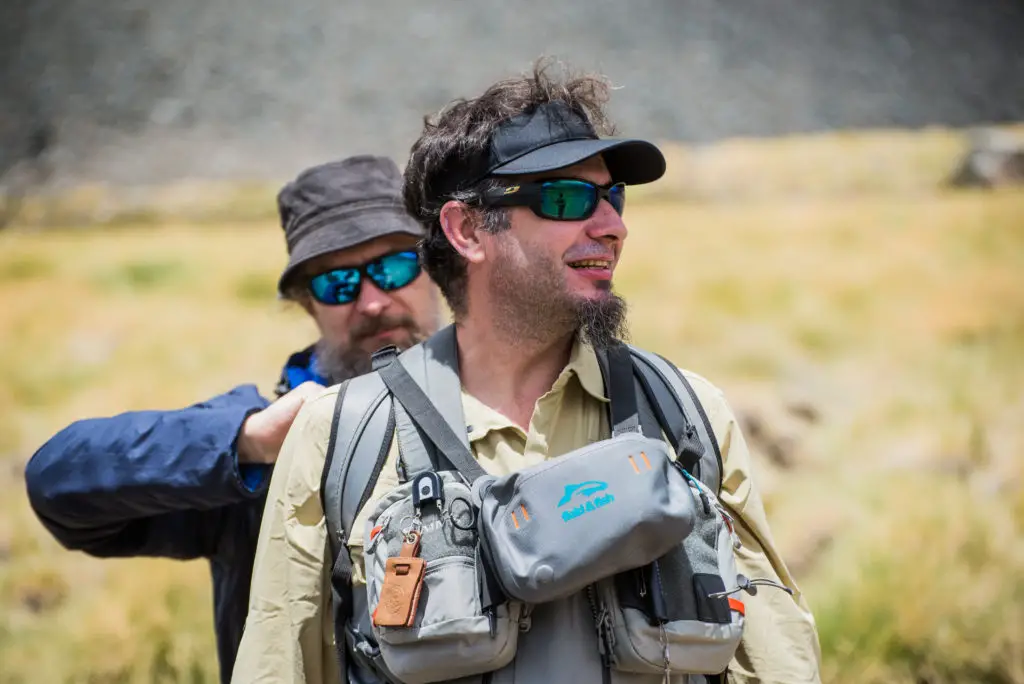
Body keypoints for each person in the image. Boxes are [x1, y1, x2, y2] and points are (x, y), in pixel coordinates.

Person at [235, 63, 822, 684]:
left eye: (613, 196)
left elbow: (774, 658)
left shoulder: (688, 414)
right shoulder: (339, 437)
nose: (612, 226)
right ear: (467, 230)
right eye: (566, 197)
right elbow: (282, 661)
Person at [23, 155, 443, 684]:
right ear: (305, 305)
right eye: (336, 283)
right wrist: (248, 443)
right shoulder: (257, 447)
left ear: (437, 267)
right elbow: (58, 483)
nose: (372, 300)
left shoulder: (518, 408)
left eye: (396, 265)